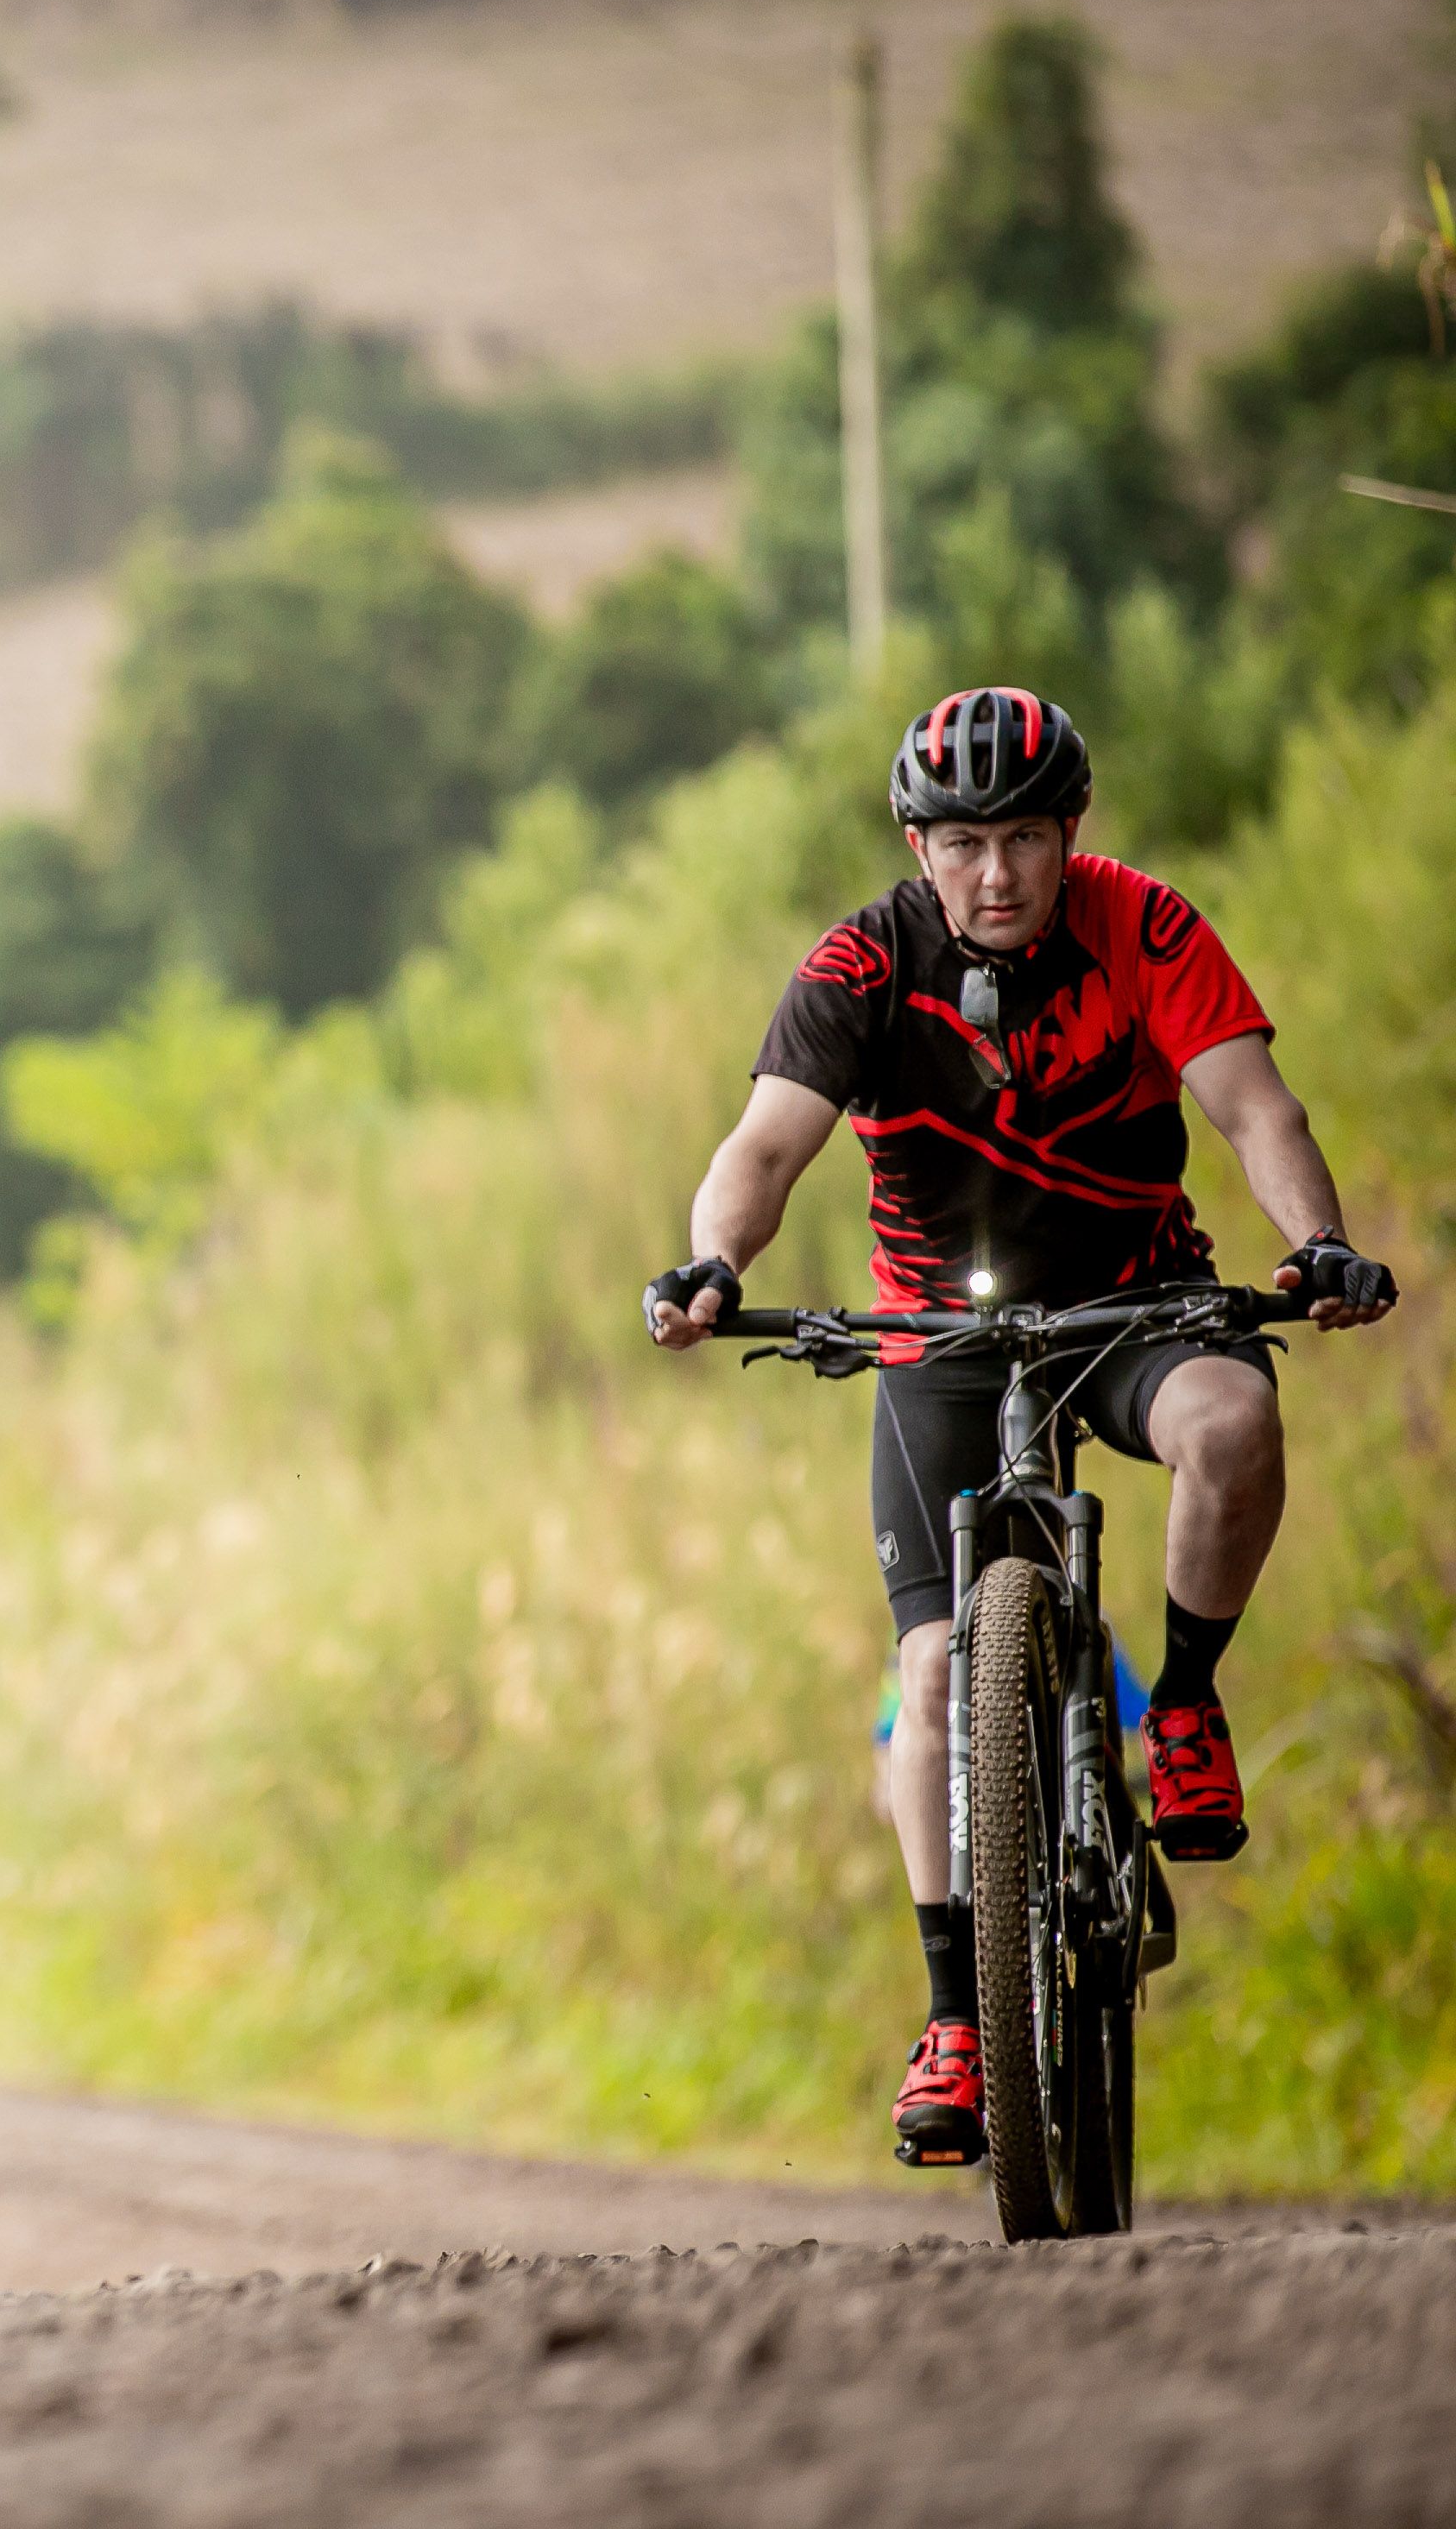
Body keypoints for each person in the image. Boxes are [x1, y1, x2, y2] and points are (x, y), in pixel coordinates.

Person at [645, 685, 1396, 2170]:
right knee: (933, 1674)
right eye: (965, 843)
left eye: (1027, 840)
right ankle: (955, 2021)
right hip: (935, 1333)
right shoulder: (861, 966)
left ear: (1072, 834)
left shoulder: (1145, 927)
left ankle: (1184, 1706)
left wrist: (1315, 1243)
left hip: (1133, 1299)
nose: (997, 874)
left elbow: (1258, 1110)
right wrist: (713, 1266)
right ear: (918, 848)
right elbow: (766, 1145)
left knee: (1235, 1420)